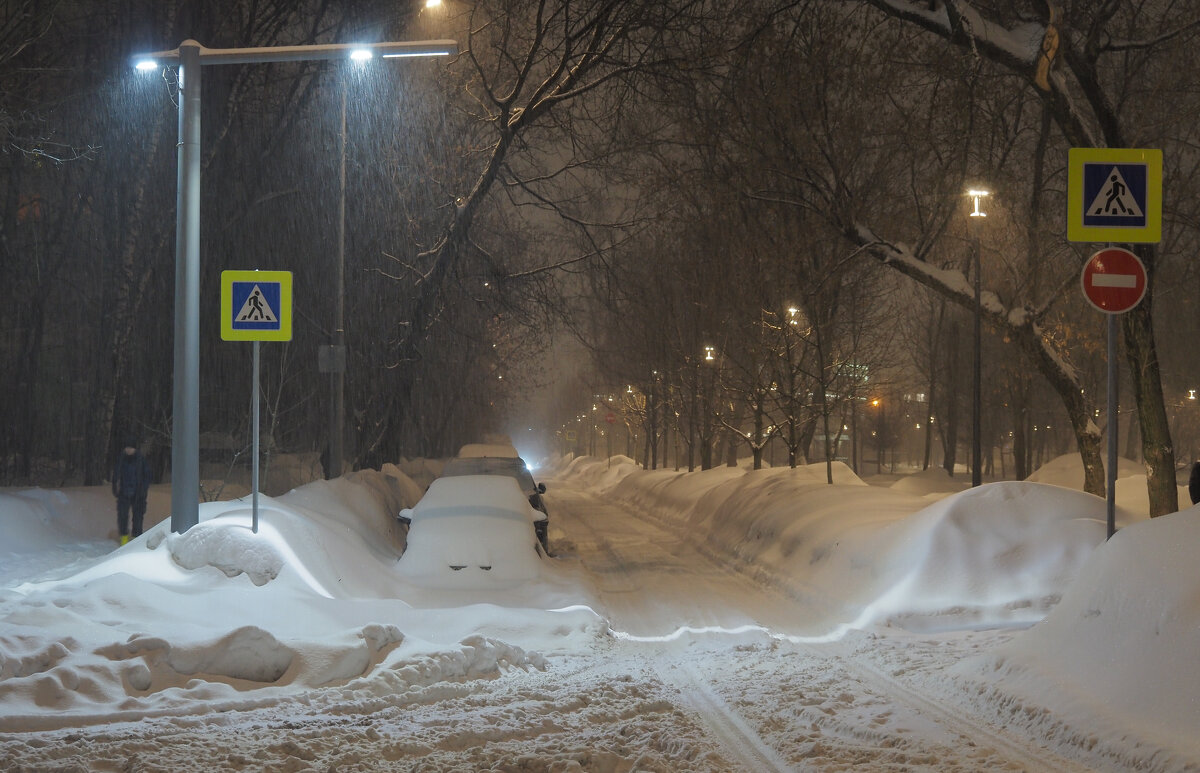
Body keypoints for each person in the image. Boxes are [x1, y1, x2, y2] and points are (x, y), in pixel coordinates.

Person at [112, 437, 151, 545]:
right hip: (124, 492)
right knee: (122, 516)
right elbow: (116, 473)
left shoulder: (141, 460)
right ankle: (124, 539)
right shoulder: (121, 459)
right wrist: (115, 486)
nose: (128, 450)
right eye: (127, 447)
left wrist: (143, 490)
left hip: (138, 493)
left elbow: (147, 476)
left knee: (138, 517)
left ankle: (136, 540)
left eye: (131, 448)